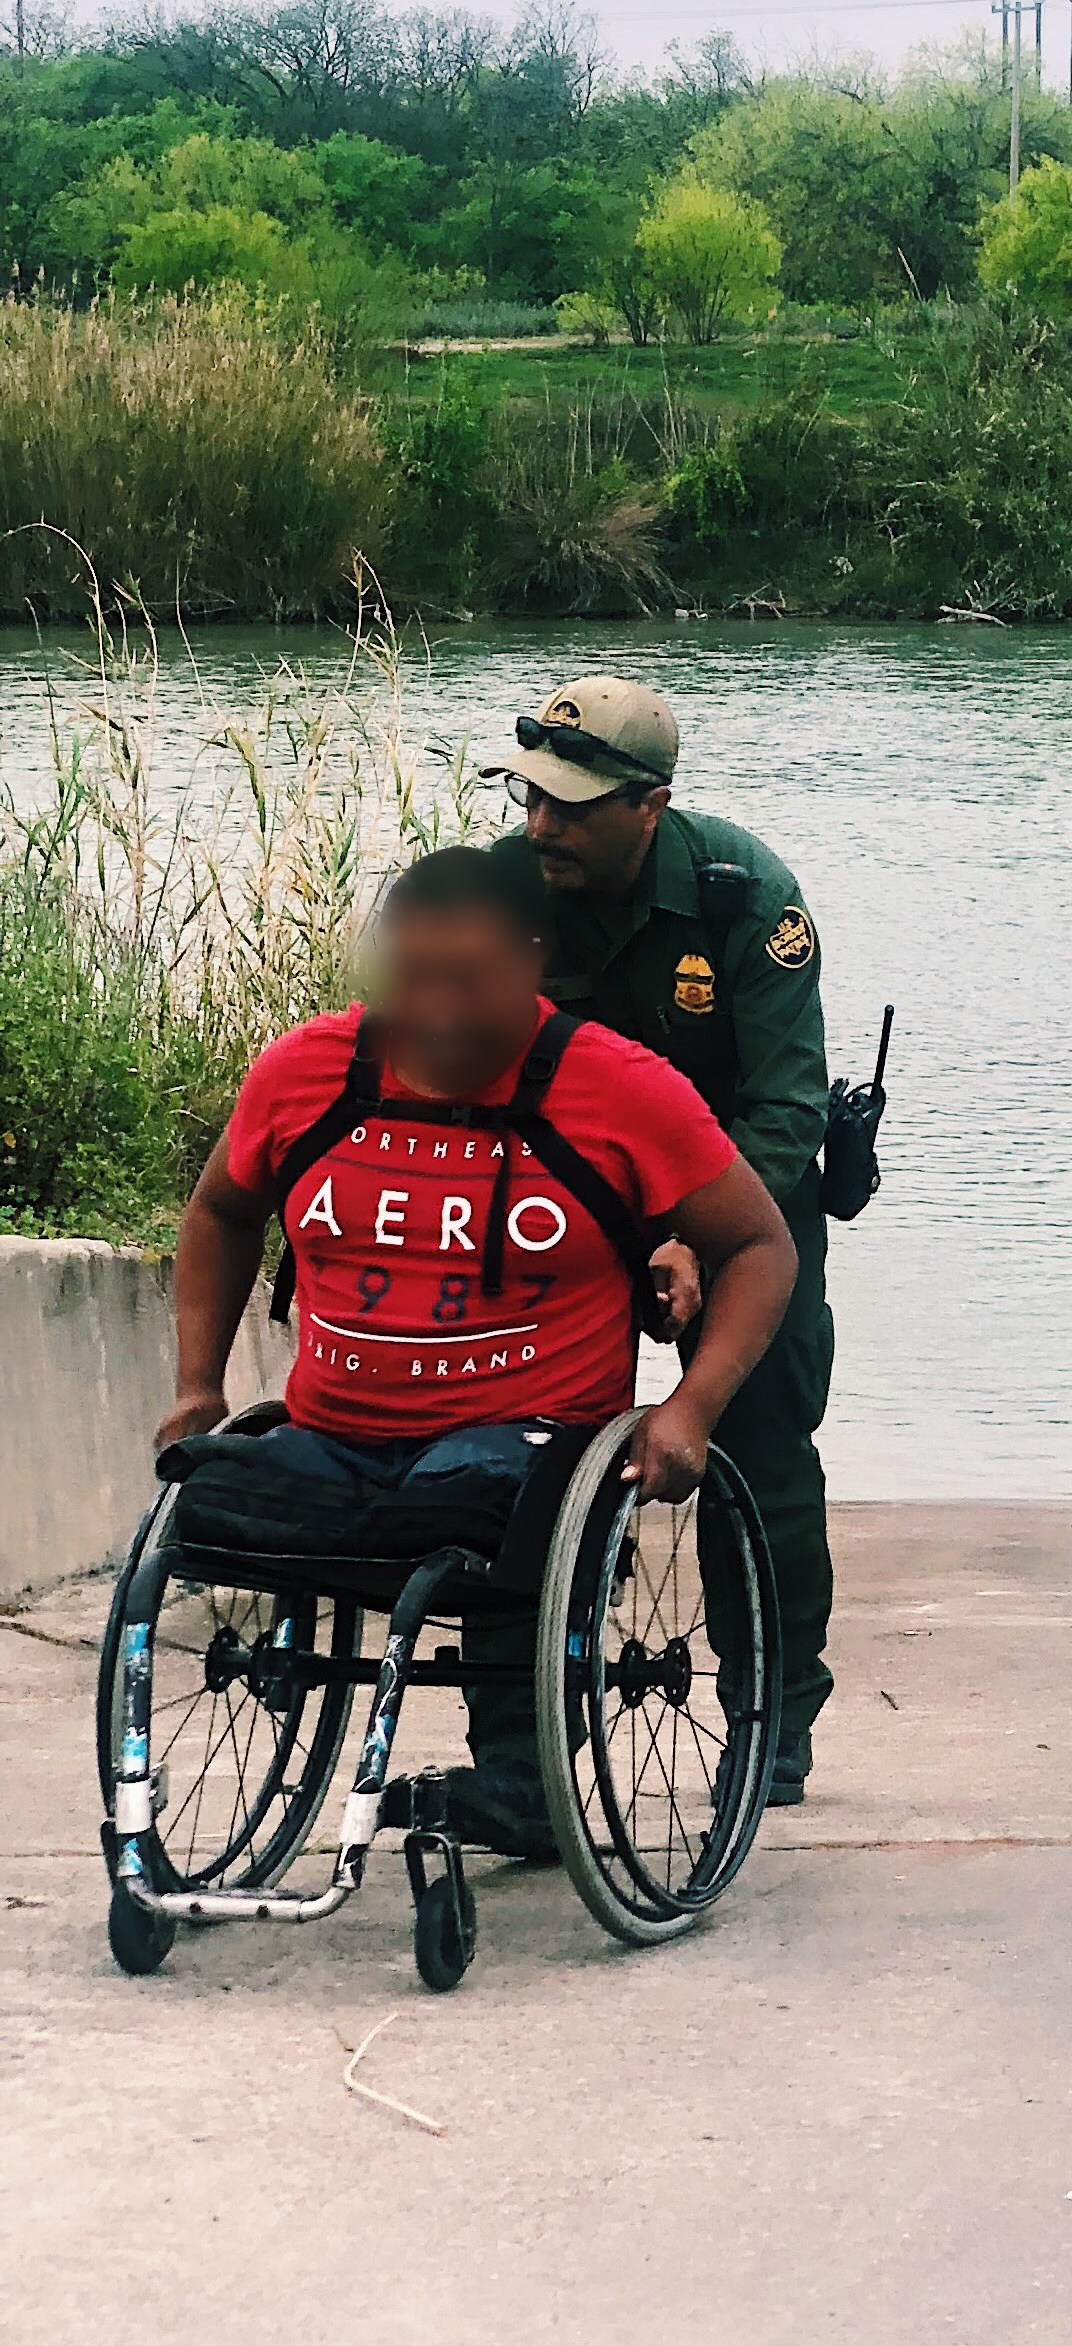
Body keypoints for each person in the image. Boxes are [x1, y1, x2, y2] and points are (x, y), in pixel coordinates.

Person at [157, 847, 795, 1856]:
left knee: (492, 1499)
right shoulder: (306, 1070)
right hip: (334, 1437)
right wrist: (197, 1385)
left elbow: (761, 1247)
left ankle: (519, 1782)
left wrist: (693, 1407)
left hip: (525, 1446)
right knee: (213, 1489)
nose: (440, 1011)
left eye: (470, 982)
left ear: (534, 963)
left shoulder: (622, 1089)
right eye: (416, 979)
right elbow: (222, 1210)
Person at [482, 673, 840, 1804]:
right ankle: (523, 1726)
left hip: (739, 1203)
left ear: (651, 804)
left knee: (760, 1442)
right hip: (566, 1198)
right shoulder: (500, 889)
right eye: (532, 797)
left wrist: (696, 1233)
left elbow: (788, 1108)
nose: (543, 825)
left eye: (575, 807)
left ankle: (771, 1709)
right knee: (502, 1445)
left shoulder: (748, 899)